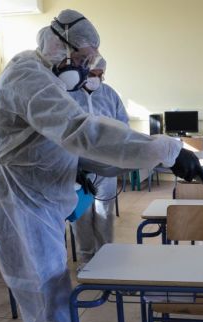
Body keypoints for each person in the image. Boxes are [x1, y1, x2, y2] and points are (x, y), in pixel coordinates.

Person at [0, 9, 203, 322]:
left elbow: (83, 150)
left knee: (56, 292)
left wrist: (151, 160)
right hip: (19, 201)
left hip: (40, 199)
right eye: (83, 60)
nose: (85, 70)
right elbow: (81, 131)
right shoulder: (27, 75)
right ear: (59, 44)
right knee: (45, 304)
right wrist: (166, 151)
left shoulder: (55, 81)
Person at [70, 58, 126, 264]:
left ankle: (106, 257)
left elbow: (123, 126)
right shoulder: (68, 94)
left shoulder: (110, 95)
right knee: (82, 216)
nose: (96, 78)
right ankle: (86, 258)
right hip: (77, 169)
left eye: (99, 74)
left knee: (104, 213)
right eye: (91, 74)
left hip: (105, 166)